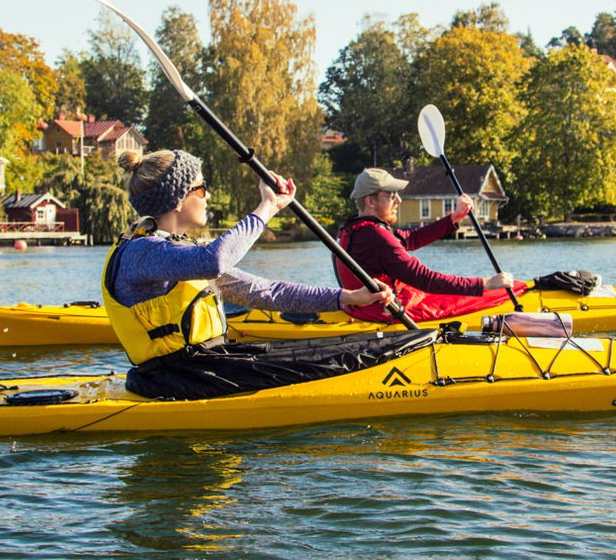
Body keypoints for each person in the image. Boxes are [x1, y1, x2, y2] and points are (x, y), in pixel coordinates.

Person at [103, 149, 419, 400]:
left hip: (206, 367)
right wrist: (266, 208)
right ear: (176, 199)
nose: (208, 196)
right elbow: (216, 259)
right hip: (175, 379)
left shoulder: (181, 251)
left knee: (328, 350)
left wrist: (347, 298)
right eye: (201, 188)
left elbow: (266, 292)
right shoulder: (142, 254)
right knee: (324, 364)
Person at [334, 167, 527, 323]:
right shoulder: (375, 236)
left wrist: (454, 217)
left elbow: (411, 238)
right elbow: (425, 279)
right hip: (383, 313)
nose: (399, 201)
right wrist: (485, 284)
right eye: (392, 195)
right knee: (495, 293)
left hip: (361, 309)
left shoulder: (353, 228)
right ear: (370, 201)